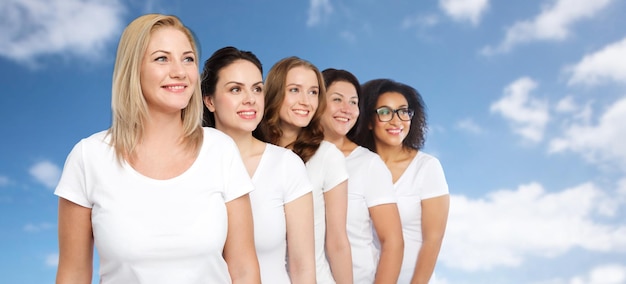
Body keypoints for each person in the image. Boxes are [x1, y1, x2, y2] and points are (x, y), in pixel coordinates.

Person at [54, 14, 260, 284]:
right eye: (162, 58)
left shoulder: (220, 150)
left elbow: (244, 268)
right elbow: (73, 274)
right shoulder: (88, 157)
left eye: (188, 59)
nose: (179, 71)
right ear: (133, 69)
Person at [201, 46, 316, 283]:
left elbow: (303, 267)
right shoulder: (190, 165)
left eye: (257, 89)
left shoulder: (286, 165)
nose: (250, 99)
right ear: (209, 101)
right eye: (236, 89)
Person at [254, 57, 353, 284]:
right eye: (294, 90)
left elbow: (337, 242)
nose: (305, 101)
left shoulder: (327, 156)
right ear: (275, 92)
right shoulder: (251, 151)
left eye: (313, 92)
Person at [351, 78, 449, 284]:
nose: (397, 121)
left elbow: (433, 240)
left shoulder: (427, 167)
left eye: (403, 111)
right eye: (385, 112)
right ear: (368, 120)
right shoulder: (357, 166)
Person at [320, 68, 404, 283]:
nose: (346, 109)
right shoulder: (296, 159)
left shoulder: (368, 164)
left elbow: (392, 242)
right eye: (337, 99)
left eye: (354, 102)